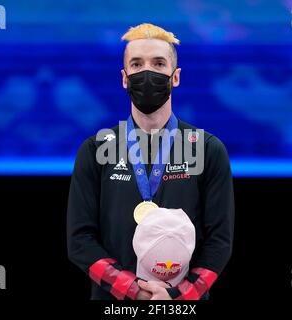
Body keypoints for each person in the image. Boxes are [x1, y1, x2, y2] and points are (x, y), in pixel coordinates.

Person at [67, 23, 235, 300]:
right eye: (137, 64)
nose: (147, 72)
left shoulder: (208, 149)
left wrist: (176, 297)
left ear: (175, 76)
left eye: (158, 63)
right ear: (124, 78)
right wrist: (134, 292)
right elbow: (80, 240)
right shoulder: (95, 149)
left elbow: (220, 241)